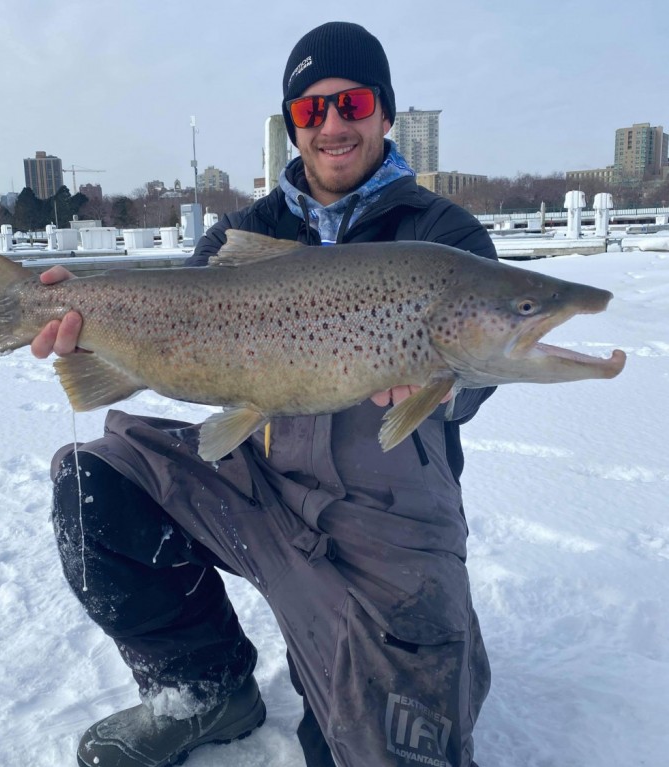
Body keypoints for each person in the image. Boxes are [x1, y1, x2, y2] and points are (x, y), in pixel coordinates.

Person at [32, 21, 498, 767]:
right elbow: (180, 329)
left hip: (383, 519)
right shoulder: (242, 234)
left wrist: (447, 385)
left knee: (381, 753)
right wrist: (89, 325)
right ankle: (207, 689)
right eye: (310, 112)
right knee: (94, 483)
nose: (333, 125)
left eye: (350, 102)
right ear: (292, 128)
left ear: (384, 110)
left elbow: (483, 370)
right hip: (255, 482)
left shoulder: (443, 235)